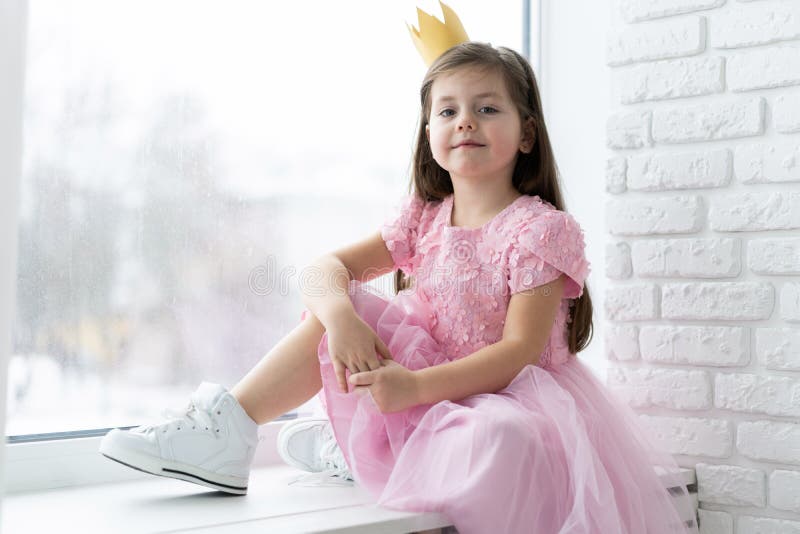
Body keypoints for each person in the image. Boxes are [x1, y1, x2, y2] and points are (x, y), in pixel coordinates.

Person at [100, 41, 699, 534]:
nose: (465, 120)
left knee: (505, 438)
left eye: (487, 108)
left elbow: (516, 354)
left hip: (505, 395)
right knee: (346, 306)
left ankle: (362, 451)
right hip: (427, 383)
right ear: (430, 134)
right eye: (447, 110)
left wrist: (413, 387)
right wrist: (342, 320)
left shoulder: (541, 229)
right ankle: (226, 431)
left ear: (526, 134)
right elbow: (320, 271)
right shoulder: (425, 215)